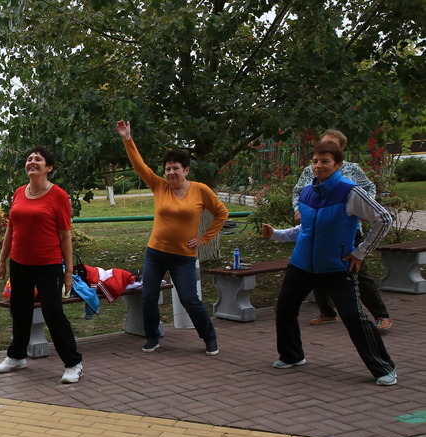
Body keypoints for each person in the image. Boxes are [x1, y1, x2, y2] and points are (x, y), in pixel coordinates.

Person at [261, 140, 397, 385]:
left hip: (336, 267)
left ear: (338, 164)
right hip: (301, 264)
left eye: (325, 161)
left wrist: (360, 252)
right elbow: (306, 229)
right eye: (315, 161)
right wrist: (277, 234)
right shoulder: (308, 192)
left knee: (353, 317)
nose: (318, 166)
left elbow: (384, 220)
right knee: (284, 309)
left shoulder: (350, 191)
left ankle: (384, 368)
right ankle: (292, 355)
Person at [114, 120, 228, 355]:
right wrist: (127, 138)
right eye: (167, 168)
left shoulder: (200, 190)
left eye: (176, 168)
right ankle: (152, 337)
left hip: (183, 256)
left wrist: (204, 239)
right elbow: (139, 165)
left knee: (189, 299)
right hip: (155, 253)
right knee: (148, 296)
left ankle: (209, 337)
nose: (171, 172)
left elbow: (221, 213)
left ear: (186, 170)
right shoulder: (159, 186)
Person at [0, 146, 84, 383]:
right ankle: (17, 356)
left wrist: (69, 272)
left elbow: (65, 235)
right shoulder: (19, 192)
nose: (32, 162)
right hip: (20, 263)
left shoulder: (58, 196)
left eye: (38, 159)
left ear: (48, 167)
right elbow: (11, 229)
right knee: (19, 310)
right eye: (29, 159)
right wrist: (2, 261)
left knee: (53, 313)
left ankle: (73, 363)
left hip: (48, 265)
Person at [291, 129, 392, 331]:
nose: (320, 161)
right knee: (316, 271)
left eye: (333, 145)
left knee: (357, 272)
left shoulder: (352, 170)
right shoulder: (311, 169)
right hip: (316, 229)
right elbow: (298, 191)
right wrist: (297, 209)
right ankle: (327, 312)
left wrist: (364, 207)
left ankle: (381, 315)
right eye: (324, 143)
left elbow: (369, 189)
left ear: (341, 151)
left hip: (346, 230)